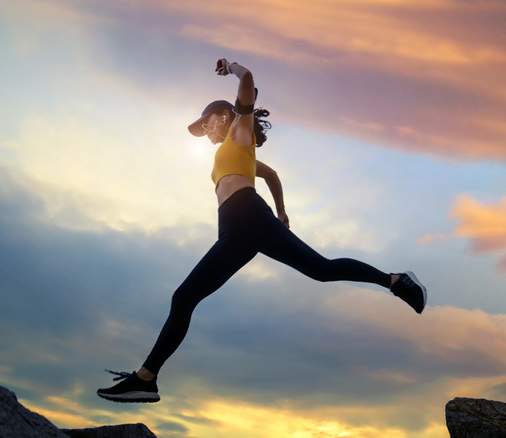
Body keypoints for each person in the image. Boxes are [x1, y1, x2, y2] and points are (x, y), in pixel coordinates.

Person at [97, 59, 427, 403]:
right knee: (316, 271)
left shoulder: (239, 131)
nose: (206, 131)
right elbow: (271, 175)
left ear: (225, 116)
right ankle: (395, 281)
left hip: (247, 217)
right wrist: (282, 211)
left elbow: (249, 79)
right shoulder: (236, 151)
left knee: (189, 297)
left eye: (207, 123)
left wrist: (232, 67)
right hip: (237, 229)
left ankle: (146, 378)